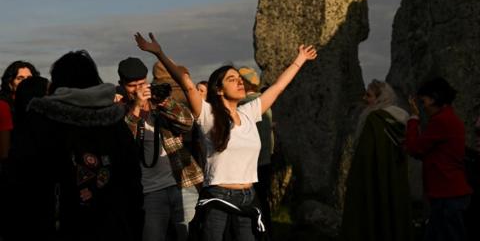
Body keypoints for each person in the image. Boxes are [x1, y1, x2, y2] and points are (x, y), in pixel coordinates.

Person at [134, 32, 317, 241]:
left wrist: (300, 59)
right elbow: (186, 83)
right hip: (218, 198)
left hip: (249, 197)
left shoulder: (249, 112)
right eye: (232, 79)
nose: (239, 82)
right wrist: (159, 53)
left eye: (240, 79)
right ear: (219, 90)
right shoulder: (208, 115)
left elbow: (278, 87)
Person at [6, 50, 144, 241]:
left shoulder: (40, 121)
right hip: (112, 227)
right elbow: (132, 181)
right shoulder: (114, 122)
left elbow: (19, 182)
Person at [116, 57, 203, 241]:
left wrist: (164, 102)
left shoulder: (159, 102)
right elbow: (123, 141)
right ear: (122, 85)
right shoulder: (120, 109)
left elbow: (188, 122)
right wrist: (137, 106)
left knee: (191, 235)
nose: (139, 89)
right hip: (148, 191)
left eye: (142, 83)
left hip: (182, 182)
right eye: (133, 85)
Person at [339, 79, 413, 241]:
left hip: (371, 177)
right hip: (393, 175)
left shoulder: (375, 119)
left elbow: (365, 155)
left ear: (380, 98)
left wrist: (354, 178)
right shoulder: (401, 120)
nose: (365, 99)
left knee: (371, 211)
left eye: (369, 95)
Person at [405, 77, 472, 241]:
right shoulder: (448, 119)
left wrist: (413, 119)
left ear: (434, 99)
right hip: (449, 193)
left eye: (424, 101)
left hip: (447, 195)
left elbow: (414, 148)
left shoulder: (441, 121)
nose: (423, 106)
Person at [238, 66, 274, 237]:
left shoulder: (245, 105)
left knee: (251, 204)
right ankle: (266, 232)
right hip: (265, 159)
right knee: (262, 202)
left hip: (249, 164)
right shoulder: (264, 102)